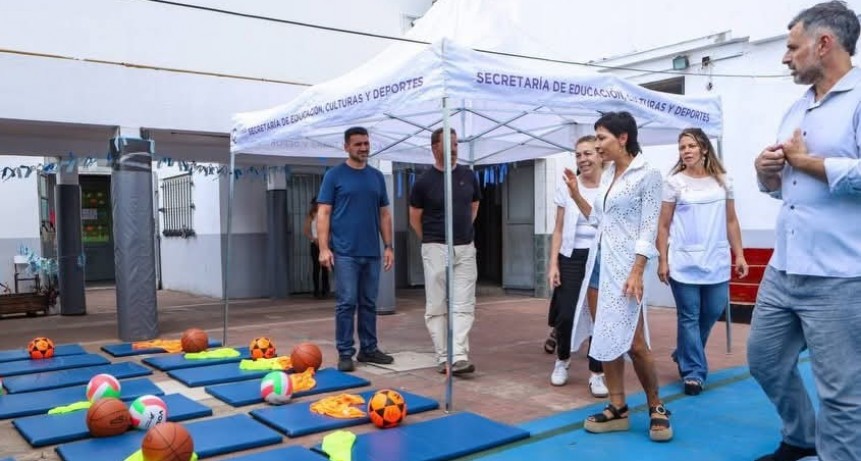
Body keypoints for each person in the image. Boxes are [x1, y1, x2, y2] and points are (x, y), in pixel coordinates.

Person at [750, 2, 861, 460]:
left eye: (793, 47)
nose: (785, 57)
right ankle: (801, 438)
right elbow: (786, 187)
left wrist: (807, 163)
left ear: (824, 43)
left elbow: (814, 169)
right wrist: (767, 174)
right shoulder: (797, 108)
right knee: (764, 361)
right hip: (784, 268)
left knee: (841, 392)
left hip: (840, 274)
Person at [567, 111, 672, 442]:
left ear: (623, 138)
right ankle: (617, 406)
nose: (597, 145)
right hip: (599, 265)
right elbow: (598, 220)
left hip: (628, 269)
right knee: (604, 336)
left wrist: (638, 270)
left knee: (635, 343)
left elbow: (649, 228)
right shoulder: (609, 174)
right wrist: (576, 195)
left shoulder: (649, 174)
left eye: (602, 138)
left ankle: (656, 405)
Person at [656, 128, 749, 396]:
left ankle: (685, 351)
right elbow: (663, 226)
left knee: (711, 312)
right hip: (683, 262)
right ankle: (694, 373)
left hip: (716, 260)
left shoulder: (724, 181)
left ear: (704, 149)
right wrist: (663, 259)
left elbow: (731, 221)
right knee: (689, 316)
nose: (686, 151)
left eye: (691, 146)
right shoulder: (673, 183)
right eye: (682, 147)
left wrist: (739, 254)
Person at [316, 126, 395, 372]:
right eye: (358, 144)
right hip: (344, 252)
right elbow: (323, 212)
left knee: (369, 303)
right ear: (346, 147)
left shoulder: (376, 177)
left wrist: (389, 246)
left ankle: (369, 349)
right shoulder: (334, 176)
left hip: (371, 251)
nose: (363, 148)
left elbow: (384, 214)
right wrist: (323, 248)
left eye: (366, 143)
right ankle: (345, 353)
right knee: (347, 303)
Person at [408, 127, 481, 375]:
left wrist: (463, 230)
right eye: (448, 144)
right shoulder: (423, 181)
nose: (453, 149)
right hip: (436, 247)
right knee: (437, 305)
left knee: (464, 304)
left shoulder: (468, 176)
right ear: (434, 147)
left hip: (465, 247)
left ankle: (458, 356)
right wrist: (430, 240)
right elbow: (414, 216)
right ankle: (442, 356)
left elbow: (474, 205)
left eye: (456, 144)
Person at [545, 135, 608, 396]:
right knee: (565, 314)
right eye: (578, 155)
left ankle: (597, 372)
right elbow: (558, 229)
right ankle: (562, 359)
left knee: (598, 317)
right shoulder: (567, 187)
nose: (582, 159)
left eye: (588, 153)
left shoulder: (611, 186)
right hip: (570, 256)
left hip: (601, 257)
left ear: (601, 155)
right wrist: (553, 264)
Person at [303, 197, 330, 299]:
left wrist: (327, 239)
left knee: (325, 268)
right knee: (316, 267)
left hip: (324, 243)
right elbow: (306, 230)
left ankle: (325, 290)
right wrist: (313, 238)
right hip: (315, 243)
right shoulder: (311, 216)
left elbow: (330, 229)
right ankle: (316, 290)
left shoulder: (325, 214)